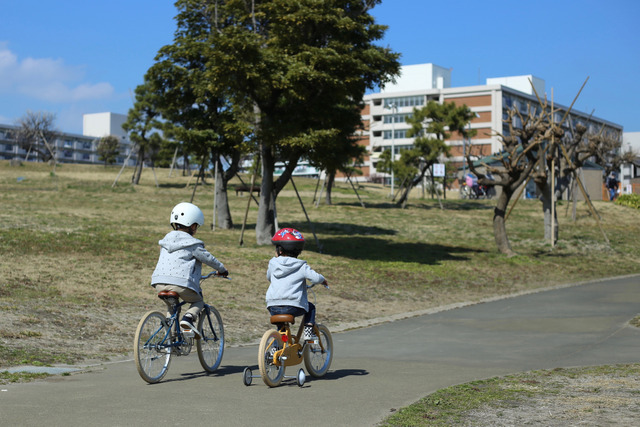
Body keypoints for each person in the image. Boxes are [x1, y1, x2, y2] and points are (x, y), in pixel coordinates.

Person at [151, 202, 228, 337]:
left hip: (159, 282)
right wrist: (222, 269)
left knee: (172, 307)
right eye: (196, 226)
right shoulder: (193, 244)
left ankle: (170, 338)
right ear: (192, 225)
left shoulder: (165, 241)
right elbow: (208, 259)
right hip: (181, 283)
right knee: (198, 301)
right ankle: (188, 319)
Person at [266, 228, 327, 341]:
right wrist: (322, 280)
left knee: (281, 330)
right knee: (311, 308)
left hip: (273, 306)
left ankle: (275, 349)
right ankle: (308, 332)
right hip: (293, 306)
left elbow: (269, 277)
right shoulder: (301, 266)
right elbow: (315, 278)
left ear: (279, 250)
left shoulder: (272, 263)